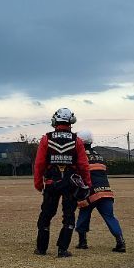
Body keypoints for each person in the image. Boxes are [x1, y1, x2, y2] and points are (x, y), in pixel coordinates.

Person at [33, 107, 91, 257]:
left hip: (51, 183)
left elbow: (39, 164)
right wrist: (87, 184)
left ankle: (41, 249)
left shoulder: (46, 138)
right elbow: (84, 166)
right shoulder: (76, 140)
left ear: (55, 121)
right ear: (71, 121)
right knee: (69, 216)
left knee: (46, 215)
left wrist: (38, 183)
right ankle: (62, 249)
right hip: (70, 185)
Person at [73, 131, 126, 252]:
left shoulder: (80, 156)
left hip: (90, 192)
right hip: (106, 191)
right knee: (110, 217)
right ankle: (120, 242)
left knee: (84, 214)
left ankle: (82, 242)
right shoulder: (99, 156)